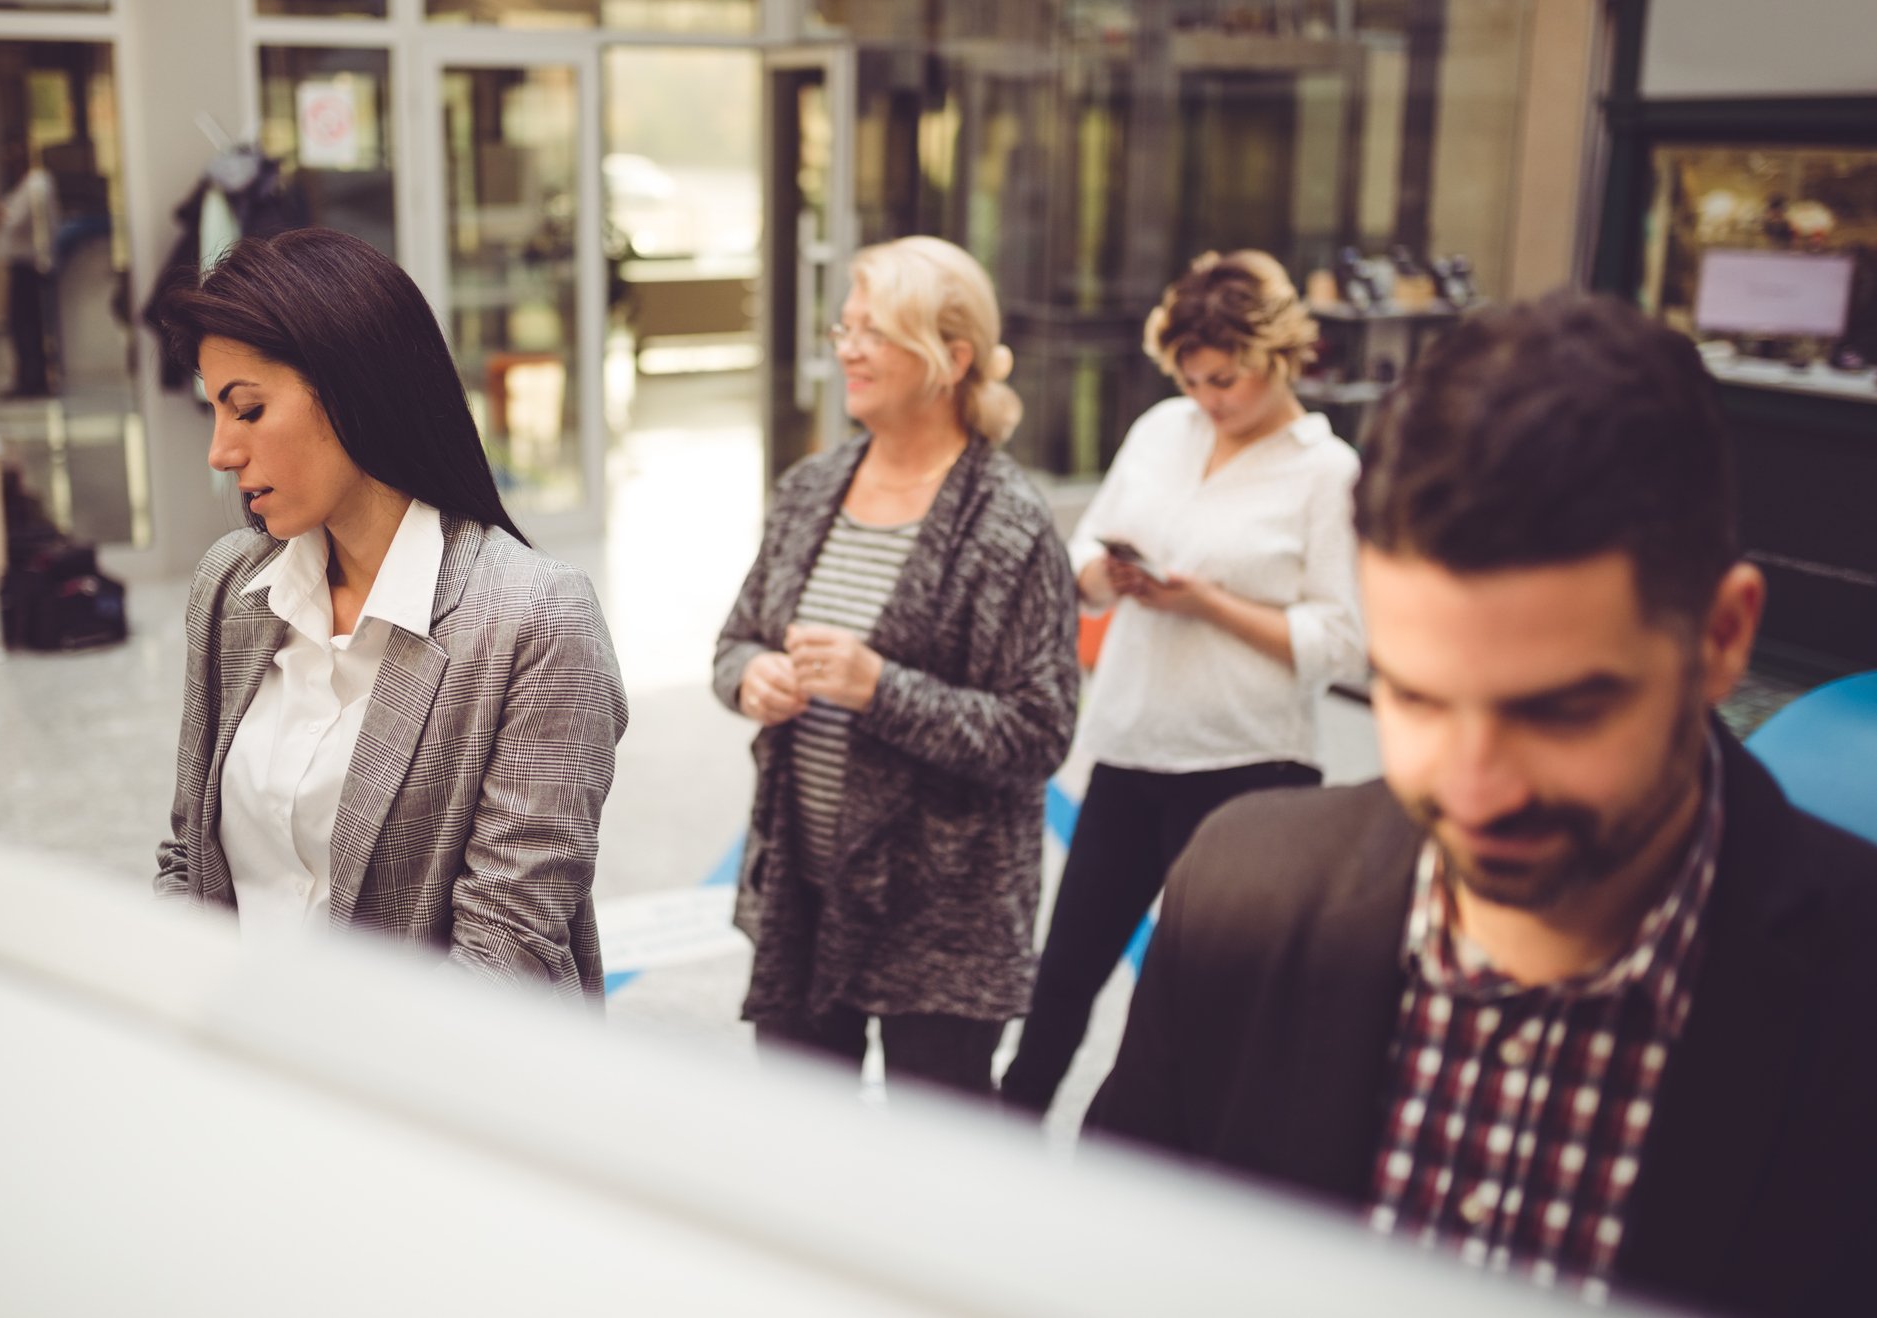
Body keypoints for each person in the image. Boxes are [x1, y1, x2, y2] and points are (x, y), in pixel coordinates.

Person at [1088, 293, 1877, 1316]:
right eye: (1414, 694)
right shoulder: (1240, 895)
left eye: (1560, 710)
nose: (1474, 784)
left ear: (1722, 638)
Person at [151, 229, 627, 997]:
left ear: (351, 389)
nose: (221, 452)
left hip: (416, 1093)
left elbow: (506, 952)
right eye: (216, 413)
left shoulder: (534, 620)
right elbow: (189, 861)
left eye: (247, 410)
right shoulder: (232, 588)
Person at [999, 251, 1363, 1116]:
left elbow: (1343, 642)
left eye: (1225, 378)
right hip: (1131, 745)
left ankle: (1160, 1166)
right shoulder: (1163, 430)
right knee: (1063, 977)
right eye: (1193, 379)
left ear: (1279, 357)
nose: (1208, 398)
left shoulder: (1327, 472)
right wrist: (1104, 578)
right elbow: (1088, 549)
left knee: (1194, 999)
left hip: (1249, 768)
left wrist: (1206, 602)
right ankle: (1003, 1141)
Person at [715, 236, 1078, 1096]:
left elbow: (1039, 731)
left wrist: (881, 689)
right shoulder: (811, 488)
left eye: (872, 331)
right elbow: (734, 639)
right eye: (845, 327)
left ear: (949, 358)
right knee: (803, 1149)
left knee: (935, 1176)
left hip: (942, 917)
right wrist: (750, 677)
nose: (846, 348)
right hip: (804, 889)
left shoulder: (1008, 525)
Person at [0, 140, 60, 397]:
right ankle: (31, 377)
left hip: (32, 265)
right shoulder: (29, 185)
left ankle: (33, 380)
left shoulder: (36, 184)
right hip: (26, 264)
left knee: (26, 325)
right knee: (25, 324)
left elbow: (16, 220)